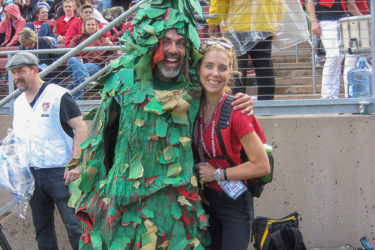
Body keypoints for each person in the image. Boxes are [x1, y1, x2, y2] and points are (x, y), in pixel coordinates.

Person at [71, 1, 254, 248]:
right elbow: (99, 140)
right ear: (152, 42)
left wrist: (242, 100)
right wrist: (89, 184)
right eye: (166, 41)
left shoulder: (194, 86)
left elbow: (218, 90)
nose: (173, 50)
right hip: (127, 204)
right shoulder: (123, 82)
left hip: (177, 211)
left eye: (180, 43)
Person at [193, 37, 270, 249]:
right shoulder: (191, 107)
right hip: (203, 201)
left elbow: (262, 165)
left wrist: (218, 174)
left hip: (234, 204)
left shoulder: (237, 110)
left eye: (222, 68)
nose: (215, 74)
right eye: (208, 66)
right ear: (199, 68)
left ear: (231, 72)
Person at [6, 51, 87, 250]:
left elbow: (81, 127)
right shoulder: (18, 103)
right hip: (32, 174)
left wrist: (76, 163)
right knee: (42, 228)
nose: (17, 77)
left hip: (61, 173)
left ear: (34, 70)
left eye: (21, 72)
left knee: (75, 227)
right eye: (14, 73)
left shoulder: (58, 95)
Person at [207, 0, 284, 100]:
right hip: (263, 23)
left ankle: (236, 106)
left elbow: (220, 2)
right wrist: (274, 25)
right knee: (264, 66)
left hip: (237, 24)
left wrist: (213, 22)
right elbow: (279, 3)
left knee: (237, 68)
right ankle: (267, 104)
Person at [307, 0, 367, 99]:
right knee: (334, 55)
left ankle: (343, 95)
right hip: (326, 20)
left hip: (344, 20)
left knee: (345, 57)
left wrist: (363, 19)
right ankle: (327, 96)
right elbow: (310, 1)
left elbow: (350, 3)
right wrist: (313, 22)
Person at [66, 16, 113, 99]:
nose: (91, 26)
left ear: (96, 26)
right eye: (88, 25)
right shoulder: (78, 38)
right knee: (73, 60)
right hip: (77, 64)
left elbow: (113, 51)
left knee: (77, 74)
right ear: (84, 26)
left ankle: (78, 100)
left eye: (93, 25)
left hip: (95, 65)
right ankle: (86, 81)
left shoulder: (102, 39)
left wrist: (109, 43)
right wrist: (79, 58)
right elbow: (71, 52)